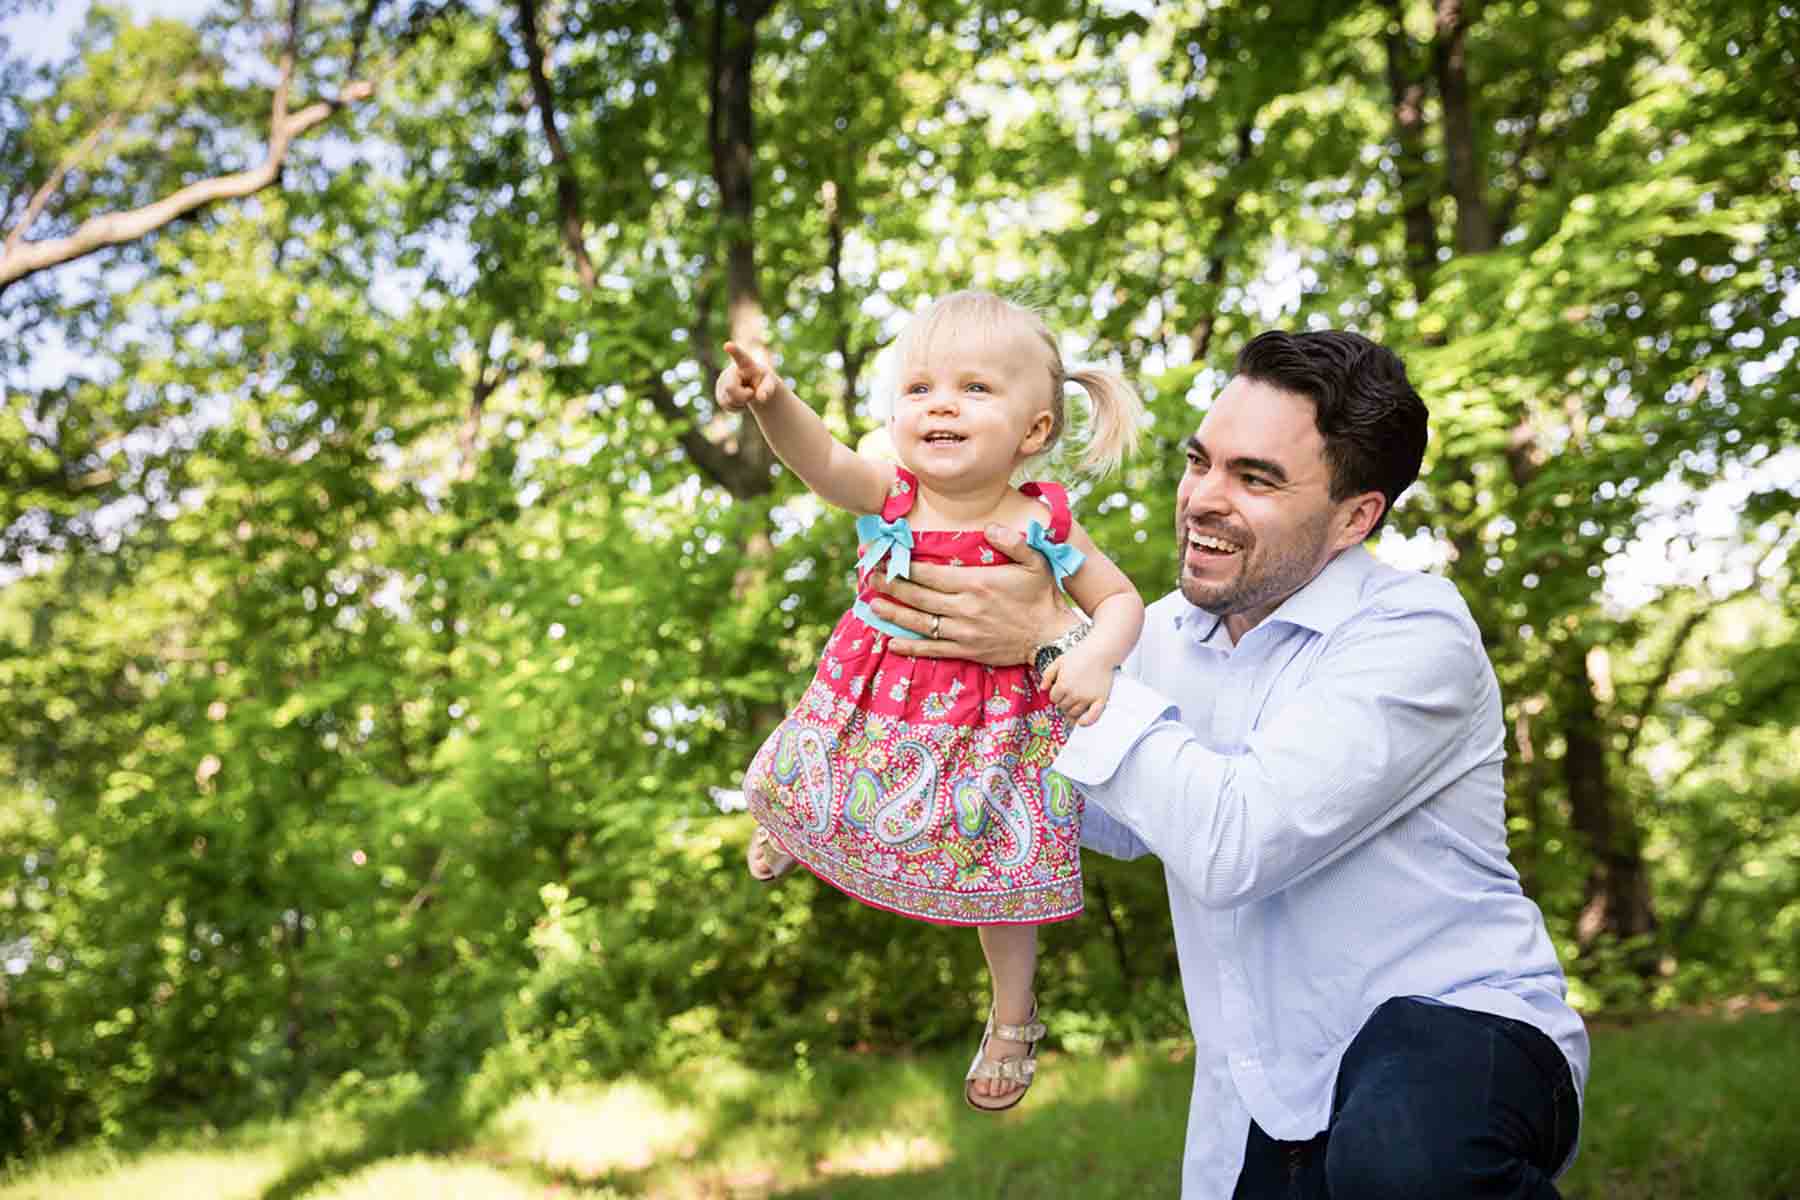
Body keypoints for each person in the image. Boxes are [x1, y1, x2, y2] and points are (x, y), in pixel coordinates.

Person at [864, 329, 1589, 1197]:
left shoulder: (1413, 632)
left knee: (1399, 1155)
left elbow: (1237, 841)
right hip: (1263, 1096)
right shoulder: (1161, 634)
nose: (1203, 498)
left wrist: (1059, 638)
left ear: (1356, 517)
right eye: (1200, 462)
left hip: (1463, 1034)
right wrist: (919, 740)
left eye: (1255, 478)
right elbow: (1112, 817)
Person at [714, 290, 1147, 1111]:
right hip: (872, 702)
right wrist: (772, 400)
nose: (942, 403)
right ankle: (793, 824)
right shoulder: (892, 494)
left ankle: (1013, 1015)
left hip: (997, 732)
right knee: (802, 767)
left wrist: (1094, 655)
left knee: (1001, 868)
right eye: (919, 389)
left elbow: (1121, 601)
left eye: (976, 389)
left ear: (1034, 432)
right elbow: (821, 460)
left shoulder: (1043, 521)